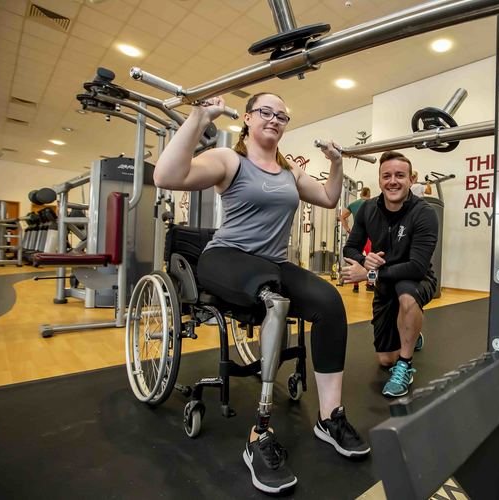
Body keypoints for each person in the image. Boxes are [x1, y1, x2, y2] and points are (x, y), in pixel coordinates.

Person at [154, 92, 369, 494]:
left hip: (272, 264)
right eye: (266, 112)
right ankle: (260, 434)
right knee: (272, 297)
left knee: (329, 303)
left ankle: (330, 416)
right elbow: (166, 176)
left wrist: (337, 164)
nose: (274, 119)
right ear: (248, 119)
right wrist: (199, 117)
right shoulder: (229, 161)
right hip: (226, 258)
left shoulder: (289, 172)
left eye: (282, 115)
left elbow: (328, 198)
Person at [341, 151, 438, 397]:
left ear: (411, 178)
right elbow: (350, 247)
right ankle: (411, 335)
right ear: (380, 179)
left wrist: (368, 275)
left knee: (406, 295)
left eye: (399, 175)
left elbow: (416, 267)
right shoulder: (367, 209)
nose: (392, 181)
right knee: (385, 360)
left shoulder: (424, 213)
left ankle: (405, 364)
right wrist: (364, 261)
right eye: (387, 176)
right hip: (385, 283)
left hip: (416, 279)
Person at [338, 187, 372, 292]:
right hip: (369, 235)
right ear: (369, 195)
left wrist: (347, 228)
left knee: (355, 260)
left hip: (356, 235)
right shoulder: (372, 203)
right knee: (371, 259)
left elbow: (342, 217)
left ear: (361, 194)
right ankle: (370, 284)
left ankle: (355, 286)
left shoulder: (354, 204)